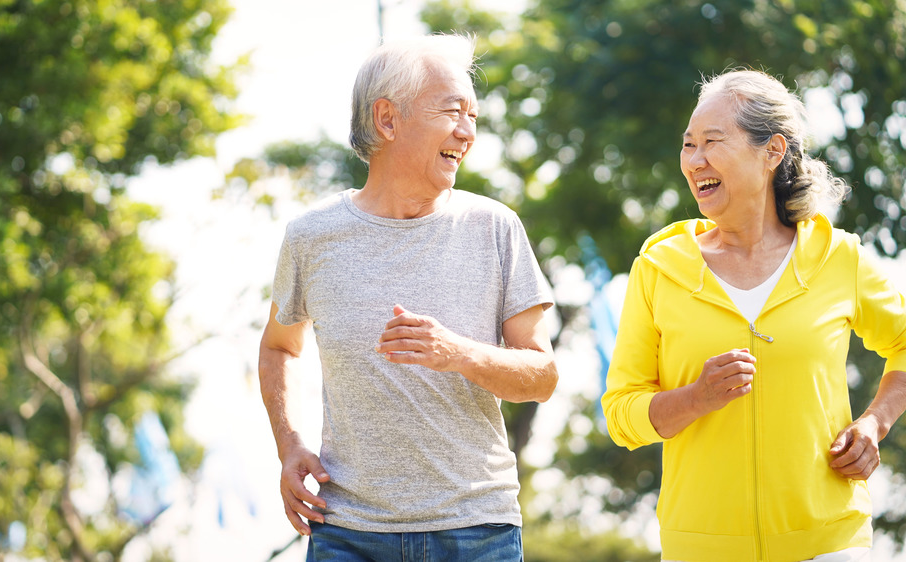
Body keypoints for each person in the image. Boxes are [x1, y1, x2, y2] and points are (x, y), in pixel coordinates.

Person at [258, 34, 558, 561]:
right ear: (388, 120)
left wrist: (458, 353)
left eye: (473, 116)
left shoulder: (495, 227)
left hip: (475, 531)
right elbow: (280, 347)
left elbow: (542, 377)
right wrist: (289, 444)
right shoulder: (312, 237)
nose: (467, 132)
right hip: (346, 531)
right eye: (452, 112)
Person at [602, 68, 906, 562]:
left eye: (712, 142)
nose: (694, 160)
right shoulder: (659, 267)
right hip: (701, 550)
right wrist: (696, 398)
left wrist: (876, 421)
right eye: (688, 145)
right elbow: (621, 414)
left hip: (830, 545)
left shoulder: (838, 258)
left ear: (772, 152)